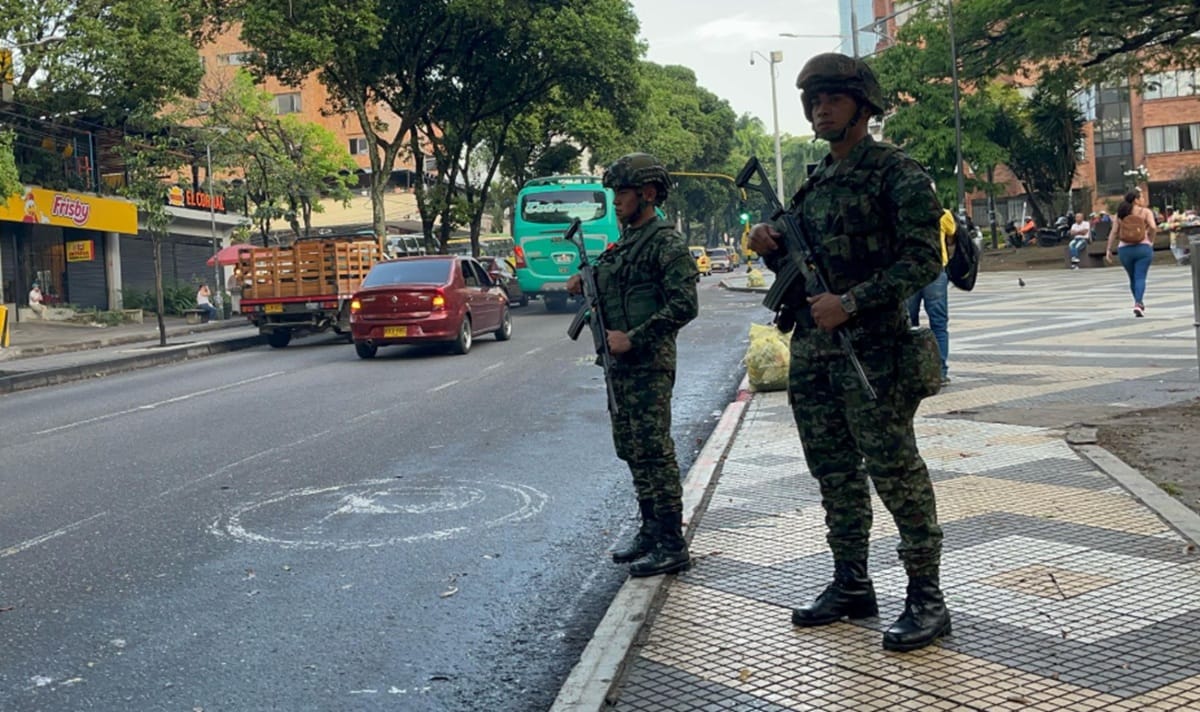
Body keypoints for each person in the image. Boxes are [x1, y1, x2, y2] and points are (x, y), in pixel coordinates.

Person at [747, 52, 950, 652]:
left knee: (896, 472)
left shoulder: (897, 174)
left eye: (832, 98)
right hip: (814, 351)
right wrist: (768, 246)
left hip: (874, 351)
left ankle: (927, 598)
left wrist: (854, 301)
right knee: (833, 472)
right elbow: (800, 266)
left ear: (863, 106)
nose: (820, 108)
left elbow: (925, 258)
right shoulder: (814, 183)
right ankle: (852, 582)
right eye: (813, 100)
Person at [565, 153, 699, 578]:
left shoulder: (665, 242)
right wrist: (582, 281)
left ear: (648, 193)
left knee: (655, 451)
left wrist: (634, 338)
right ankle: (650, 530)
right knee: (632, 449)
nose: (616, 200)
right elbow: (610, 282)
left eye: (622, 192)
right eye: (615, 192)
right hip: (618, 366)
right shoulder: (624, 243)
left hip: (648, 364)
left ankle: (671, 542)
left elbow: (684, 305)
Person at [908, 208, 954, 383]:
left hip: (910, 271)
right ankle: (940, 371)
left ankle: (912, 370)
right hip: (935, 271)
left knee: (907, 324)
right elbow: (952, 235)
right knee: (939, 324)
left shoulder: (902, 211)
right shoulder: (943, 214)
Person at [1105, 190, 1158, 317]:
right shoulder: (1145, 212)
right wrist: (1151, 241)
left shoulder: (1121, 213)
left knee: (1132, 277)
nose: (1144, 200)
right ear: (1136, 199)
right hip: (1143, 248)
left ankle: (1137, 302)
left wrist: (1108, 249)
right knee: (1140, 276)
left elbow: (1113, 232)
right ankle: (1138, 303)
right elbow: (1153, 227)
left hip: (1124, 250)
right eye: (1142, 198)